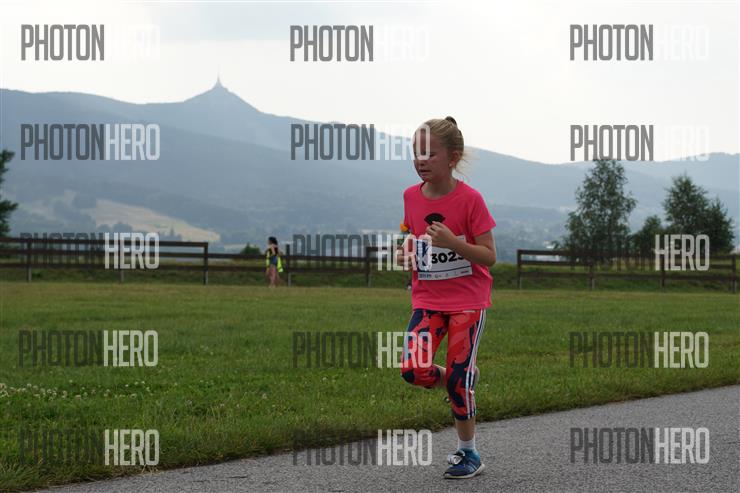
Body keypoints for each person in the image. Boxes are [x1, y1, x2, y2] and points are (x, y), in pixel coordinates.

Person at [397, 116, 497, 479]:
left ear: (452, 158)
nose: (420, 160)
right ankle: (462, 376)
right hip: (427, 300)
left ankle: (468, 453)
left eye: (429, 153)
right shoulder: (410, 196)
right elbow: (411, 237)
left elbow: (489, 256)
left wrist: (455, 243)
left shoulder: (470, 200)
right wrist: (404, 253)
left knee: (457, 379)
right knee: (413, 370)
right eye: (416, 153)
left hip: (468, 301)